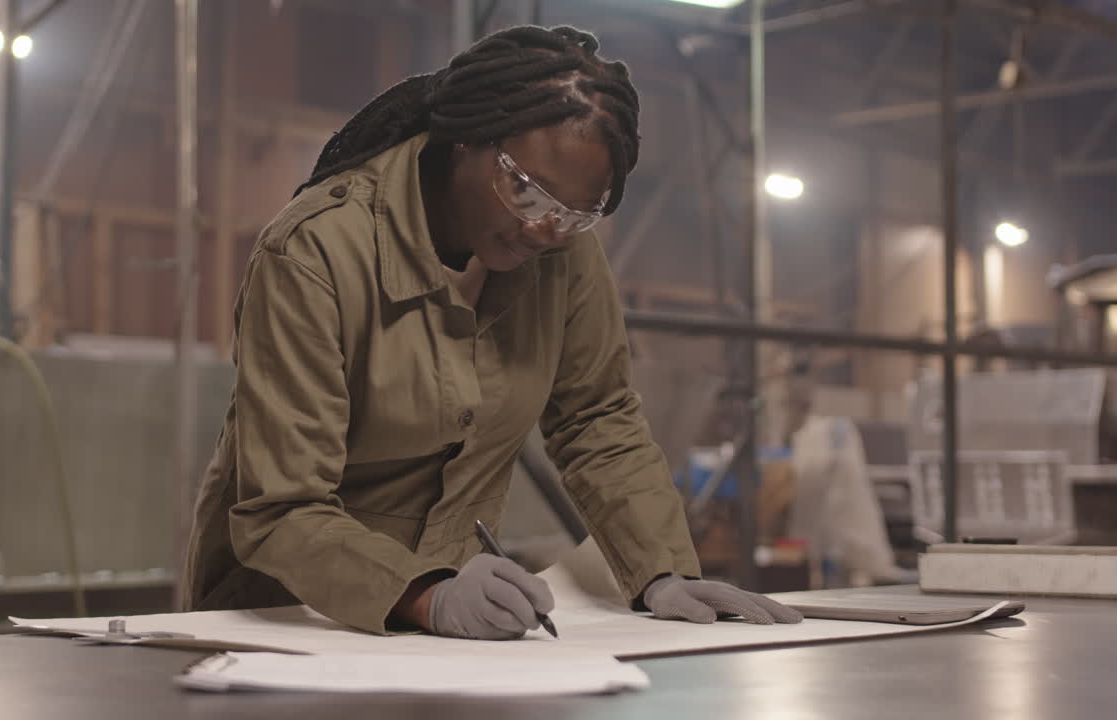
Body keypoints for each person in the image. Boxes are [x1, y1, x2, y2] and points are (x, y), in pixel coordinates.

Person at [181, 25, 800, 640]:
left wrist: (662, 572)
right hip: (290, 621)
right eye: (526, 193)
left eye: (573, 215)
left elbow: (597, 418)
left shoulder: (560, 253)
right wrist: (424, 594)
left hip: (449, 627)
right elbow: (281, 509)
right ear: (465, 141)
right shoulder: (316, 252)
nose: (543, 231)